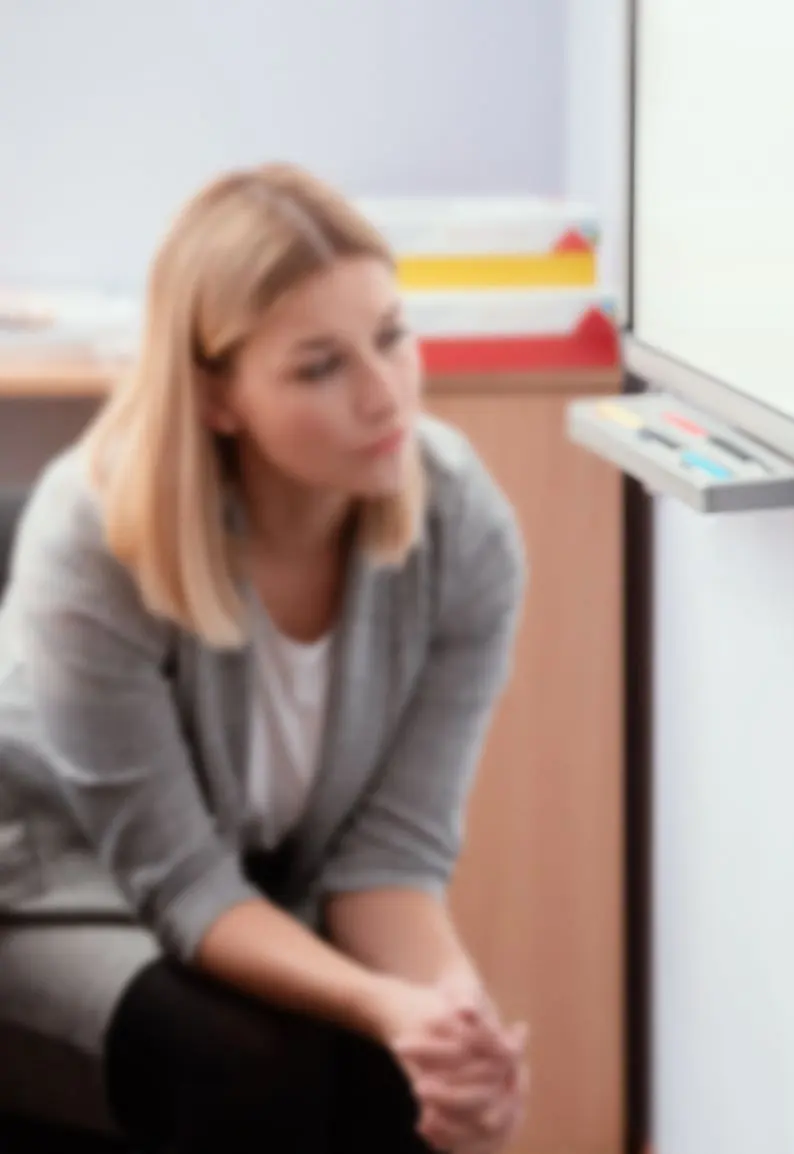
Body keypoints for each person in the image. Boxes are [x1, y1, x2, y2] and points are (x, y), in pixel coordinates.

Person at [0, 164, 530, 1153]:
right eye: (319, 367)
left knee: (404, 1073)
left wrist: (454, 1024)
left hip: (248, 887)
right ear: (217, 396)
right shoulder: (94, 534)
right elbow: (180, 881)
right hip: (46, 884)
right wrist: (385, 1004)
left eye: (391, 336)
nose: (384, 395)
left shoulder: (462, 526)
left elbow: (391, 857)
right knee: (245, 1069)